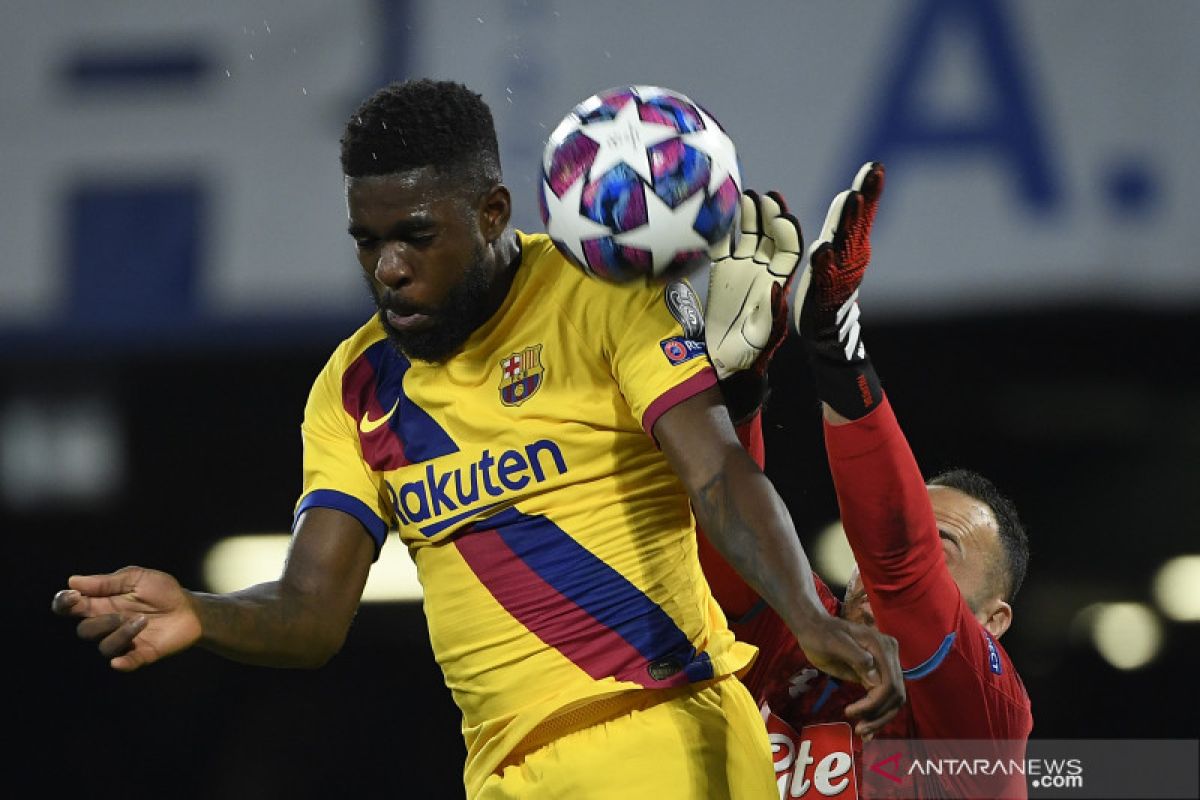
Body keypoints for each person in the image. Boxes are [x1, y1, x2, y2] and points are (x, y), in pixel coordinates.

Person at [51, 79, 906, 799]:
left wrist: (805, 611)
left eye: (416, 236)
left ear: (492, 211)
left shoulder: (598, 295)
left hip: (663, 735)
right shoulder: (352, 390)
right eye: (369, 241)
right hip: (501, 776)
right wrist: (199, 614)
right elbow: (311, 614)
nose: (388, 267)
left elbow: (717, 473)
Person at [696, 162, 1033, 798]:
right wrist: (734, 398)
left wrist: (834, 347)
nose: (874, 566)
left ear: (992, 622)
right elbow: (724, 543)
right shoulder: (799, 637)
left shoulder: (987, 718)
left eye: (947, 548)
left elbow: (902, 569)